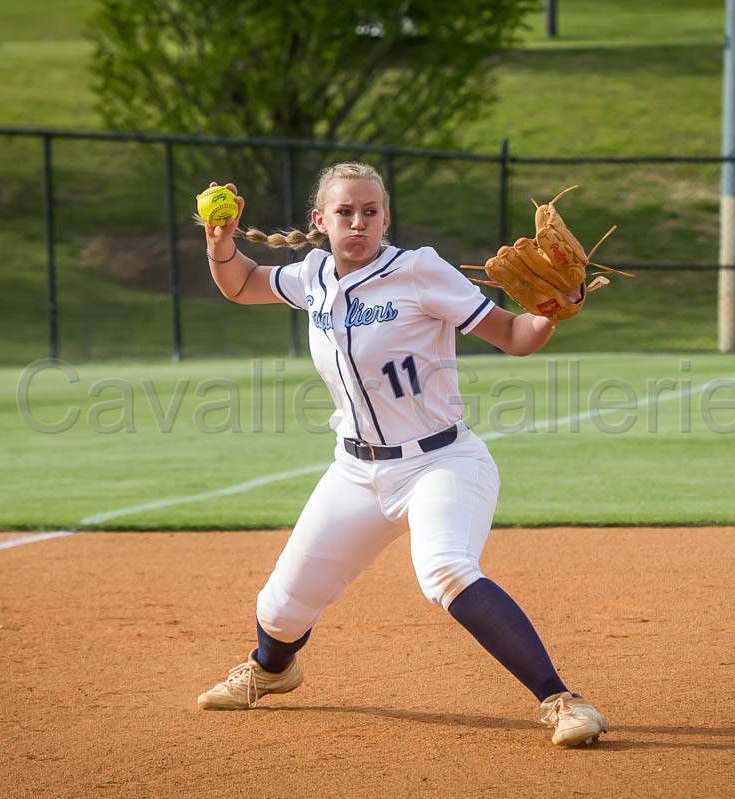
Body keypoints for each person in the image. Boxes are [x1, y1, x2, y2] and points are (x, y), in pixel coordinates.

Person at [195, 162, 605, 747]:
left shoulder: (418, 271)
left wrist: (556, 306)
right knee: (281, 608)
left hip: (441, 462)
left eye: (369, 212)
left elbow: (515, 338)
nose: (357, 222)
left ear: (385, 219)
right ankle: (272, 669)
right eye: (344, 212)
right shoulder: (310, 276)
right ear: (321, 221)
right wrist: (221, 242)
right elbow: (240, 283)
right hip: (356, 471)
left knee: (445, 569)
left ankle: (563, 701)